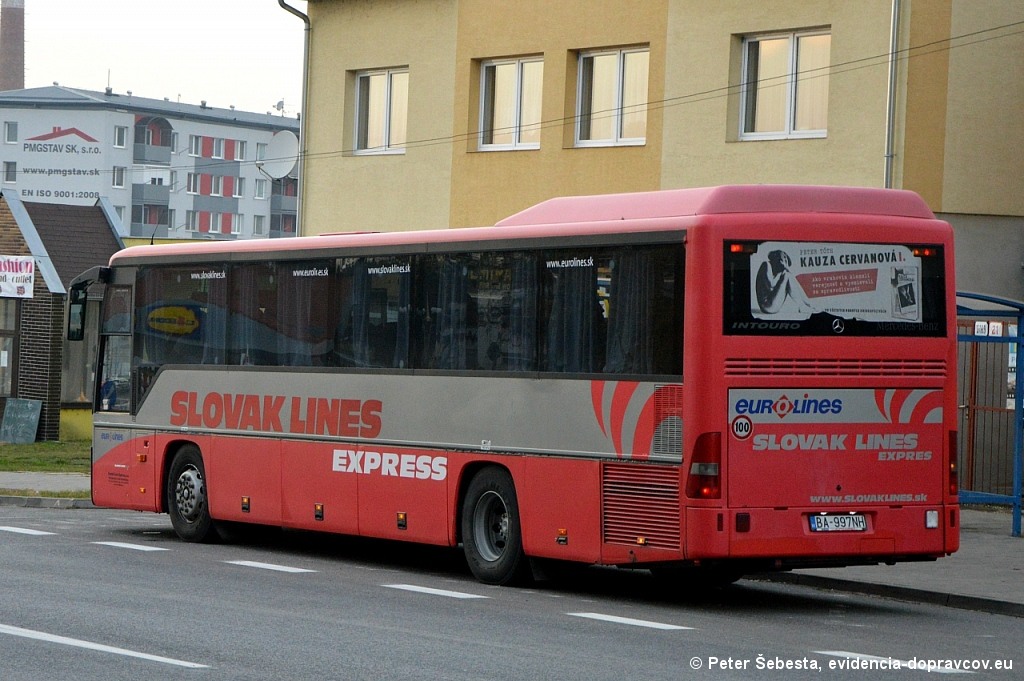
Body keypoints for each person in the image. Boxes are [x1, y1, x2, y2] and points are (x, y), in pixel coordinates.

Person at [755, 250, 815, 315]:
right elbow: (770, 286)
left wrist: (785, 270)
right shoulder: (766, 264)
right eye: (784, 257)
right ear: (778, 257)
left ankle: (809, 304)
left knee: (789, 275)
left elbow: (794, 283)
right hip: (766, 305)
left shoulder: (777, 271)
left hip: (773, 305)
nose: (785, 260)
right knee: (787, 275)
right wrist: (782, 272)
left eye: (786, 260)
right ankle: (802, 306)